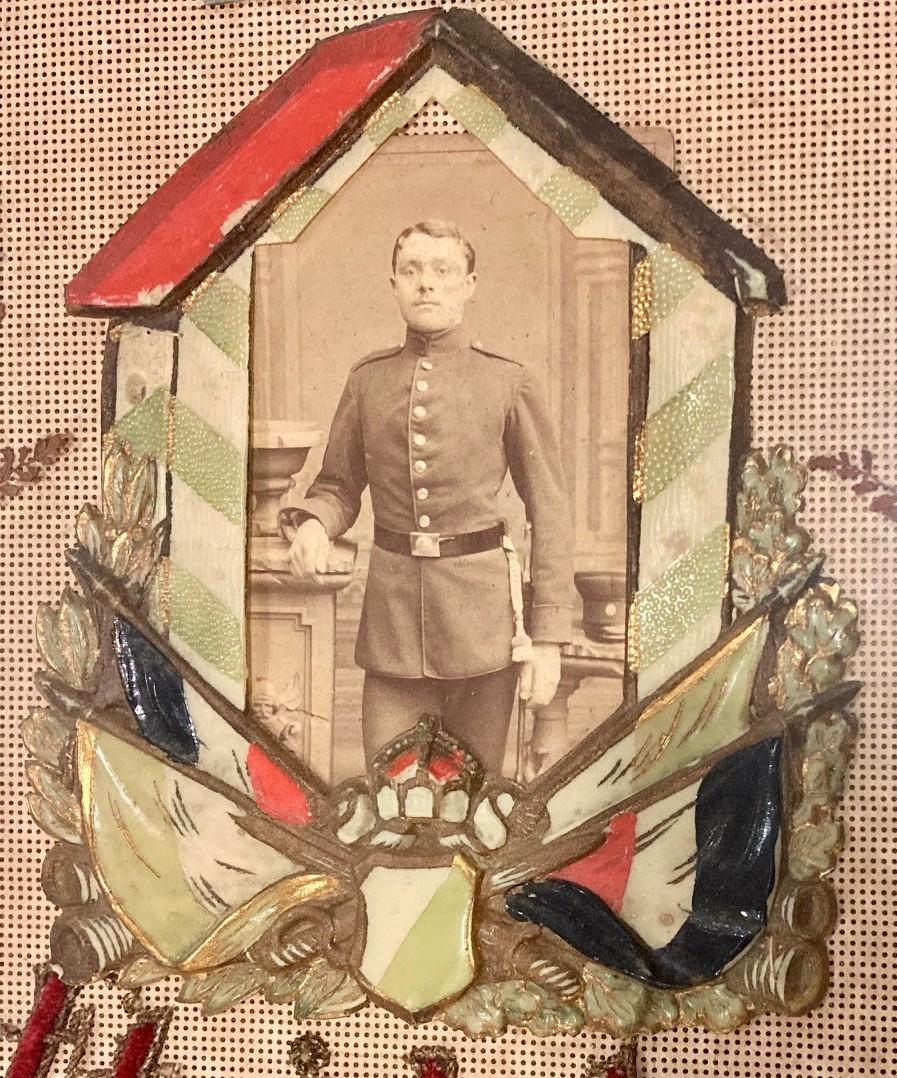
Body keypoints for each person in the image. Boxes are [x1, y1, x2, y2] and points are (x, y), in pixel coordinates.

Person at [279, 219, 573, 771]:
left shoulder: (507, 382)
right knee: (388, 801)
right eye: (412, 271)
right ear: (393, 282)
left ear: (469, 284)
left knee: (473, 805)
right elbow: (338, 485)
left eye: (443, 271)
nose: (426, 285)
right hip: (392, 626)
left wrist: (550, 637)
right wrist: (315, 523)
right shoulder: (368, 379)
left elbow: (550, 510)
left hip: (483, 630)